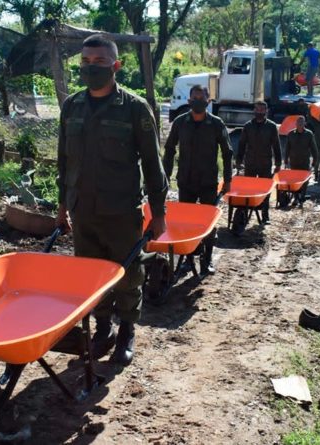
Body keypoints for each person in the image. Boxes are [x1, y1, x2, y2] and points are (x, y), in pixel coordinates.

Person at [56, 34, 168, 366]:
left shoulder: (134, 109)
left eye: (100, 62)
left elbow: (153, 165)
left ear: (116, 66)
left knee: (128, 275)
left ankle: (126, 332)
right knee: (90, 277)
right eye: (86, 63)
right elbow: (64, 162)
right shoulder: (71, 106)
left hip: (121, 213)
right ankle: (102, 328)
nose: (92, 68)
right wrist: (62, 208)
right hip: (83, 212)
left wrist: (158, 214)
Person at [163, 85, 233, 276]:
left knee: (207, 224)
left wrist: (227, 180)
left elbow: (227, 153)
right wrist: (165, 177)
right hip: (186, 181)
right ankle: (188, 259)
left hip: (208, 182)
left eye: (201, 98)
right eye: (194, 97)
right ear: (189, 101)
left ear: (208, 101)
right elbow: (169, 150)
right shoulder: (180, 122)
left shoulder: (216, 124)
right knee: (186, 224)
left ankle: (207, 259)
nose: (197, 101)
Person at [236, 101, 281, 223]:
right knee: (247, 190)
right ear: (254, 111)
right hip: (250, 163)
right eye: (258, 109)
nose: (260, 112)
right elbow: (241, 145)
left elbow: (276, 146)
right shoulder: (248, 126)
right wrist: (238, 161)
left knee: (265, 190)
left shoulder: (271, 126)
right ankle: (244, 214)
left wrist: (278, 163)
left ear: (266, 111)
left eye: (262, 110)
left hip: (265, 163)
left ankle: (265, 216)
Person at [284, 115, 317, 206]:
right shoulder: (290, 134)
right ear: (296, 124)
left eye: (302, 122)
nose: (300, 124)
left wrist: (314, 162)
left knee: (304, 180)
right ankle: (296, 198)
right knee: (294, 181)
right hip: (294, 162)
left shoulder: (309, 134)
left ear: (305, 124)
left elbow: (314, 149)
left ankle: (302, 197)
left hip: (304, 162)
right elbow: (287, 148)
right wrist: (286, 160)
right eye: (298, 122)